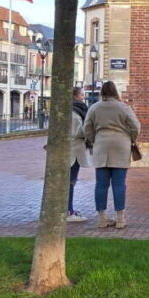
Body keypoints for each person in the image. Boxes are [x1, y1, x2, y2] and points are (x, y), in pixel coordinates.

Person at [84, 81, 141, 230]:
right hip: (121, 144)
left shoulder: (94, 108)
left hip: (101, 144)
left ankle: (101, 218)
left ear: (102, 92)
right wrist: (131, 138)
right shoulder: (123, 107)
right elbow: (136, 126)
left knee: (101, 184)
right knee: (119, 183)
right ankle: (120, 217)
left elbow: (87, 128)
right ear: (115, 91)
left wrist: (93, 139)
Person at [68, 86, 91, 223]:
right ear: (76, 96)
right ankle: (68, 211)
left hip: (72, 149)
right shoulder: (75, 112)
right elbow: (78, 131)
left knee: (71, 180)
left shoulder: (71, 110)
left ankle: (68, 209)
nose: (84, 97)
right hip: (73, 150)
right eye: (82, 95)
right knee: (70, 181)